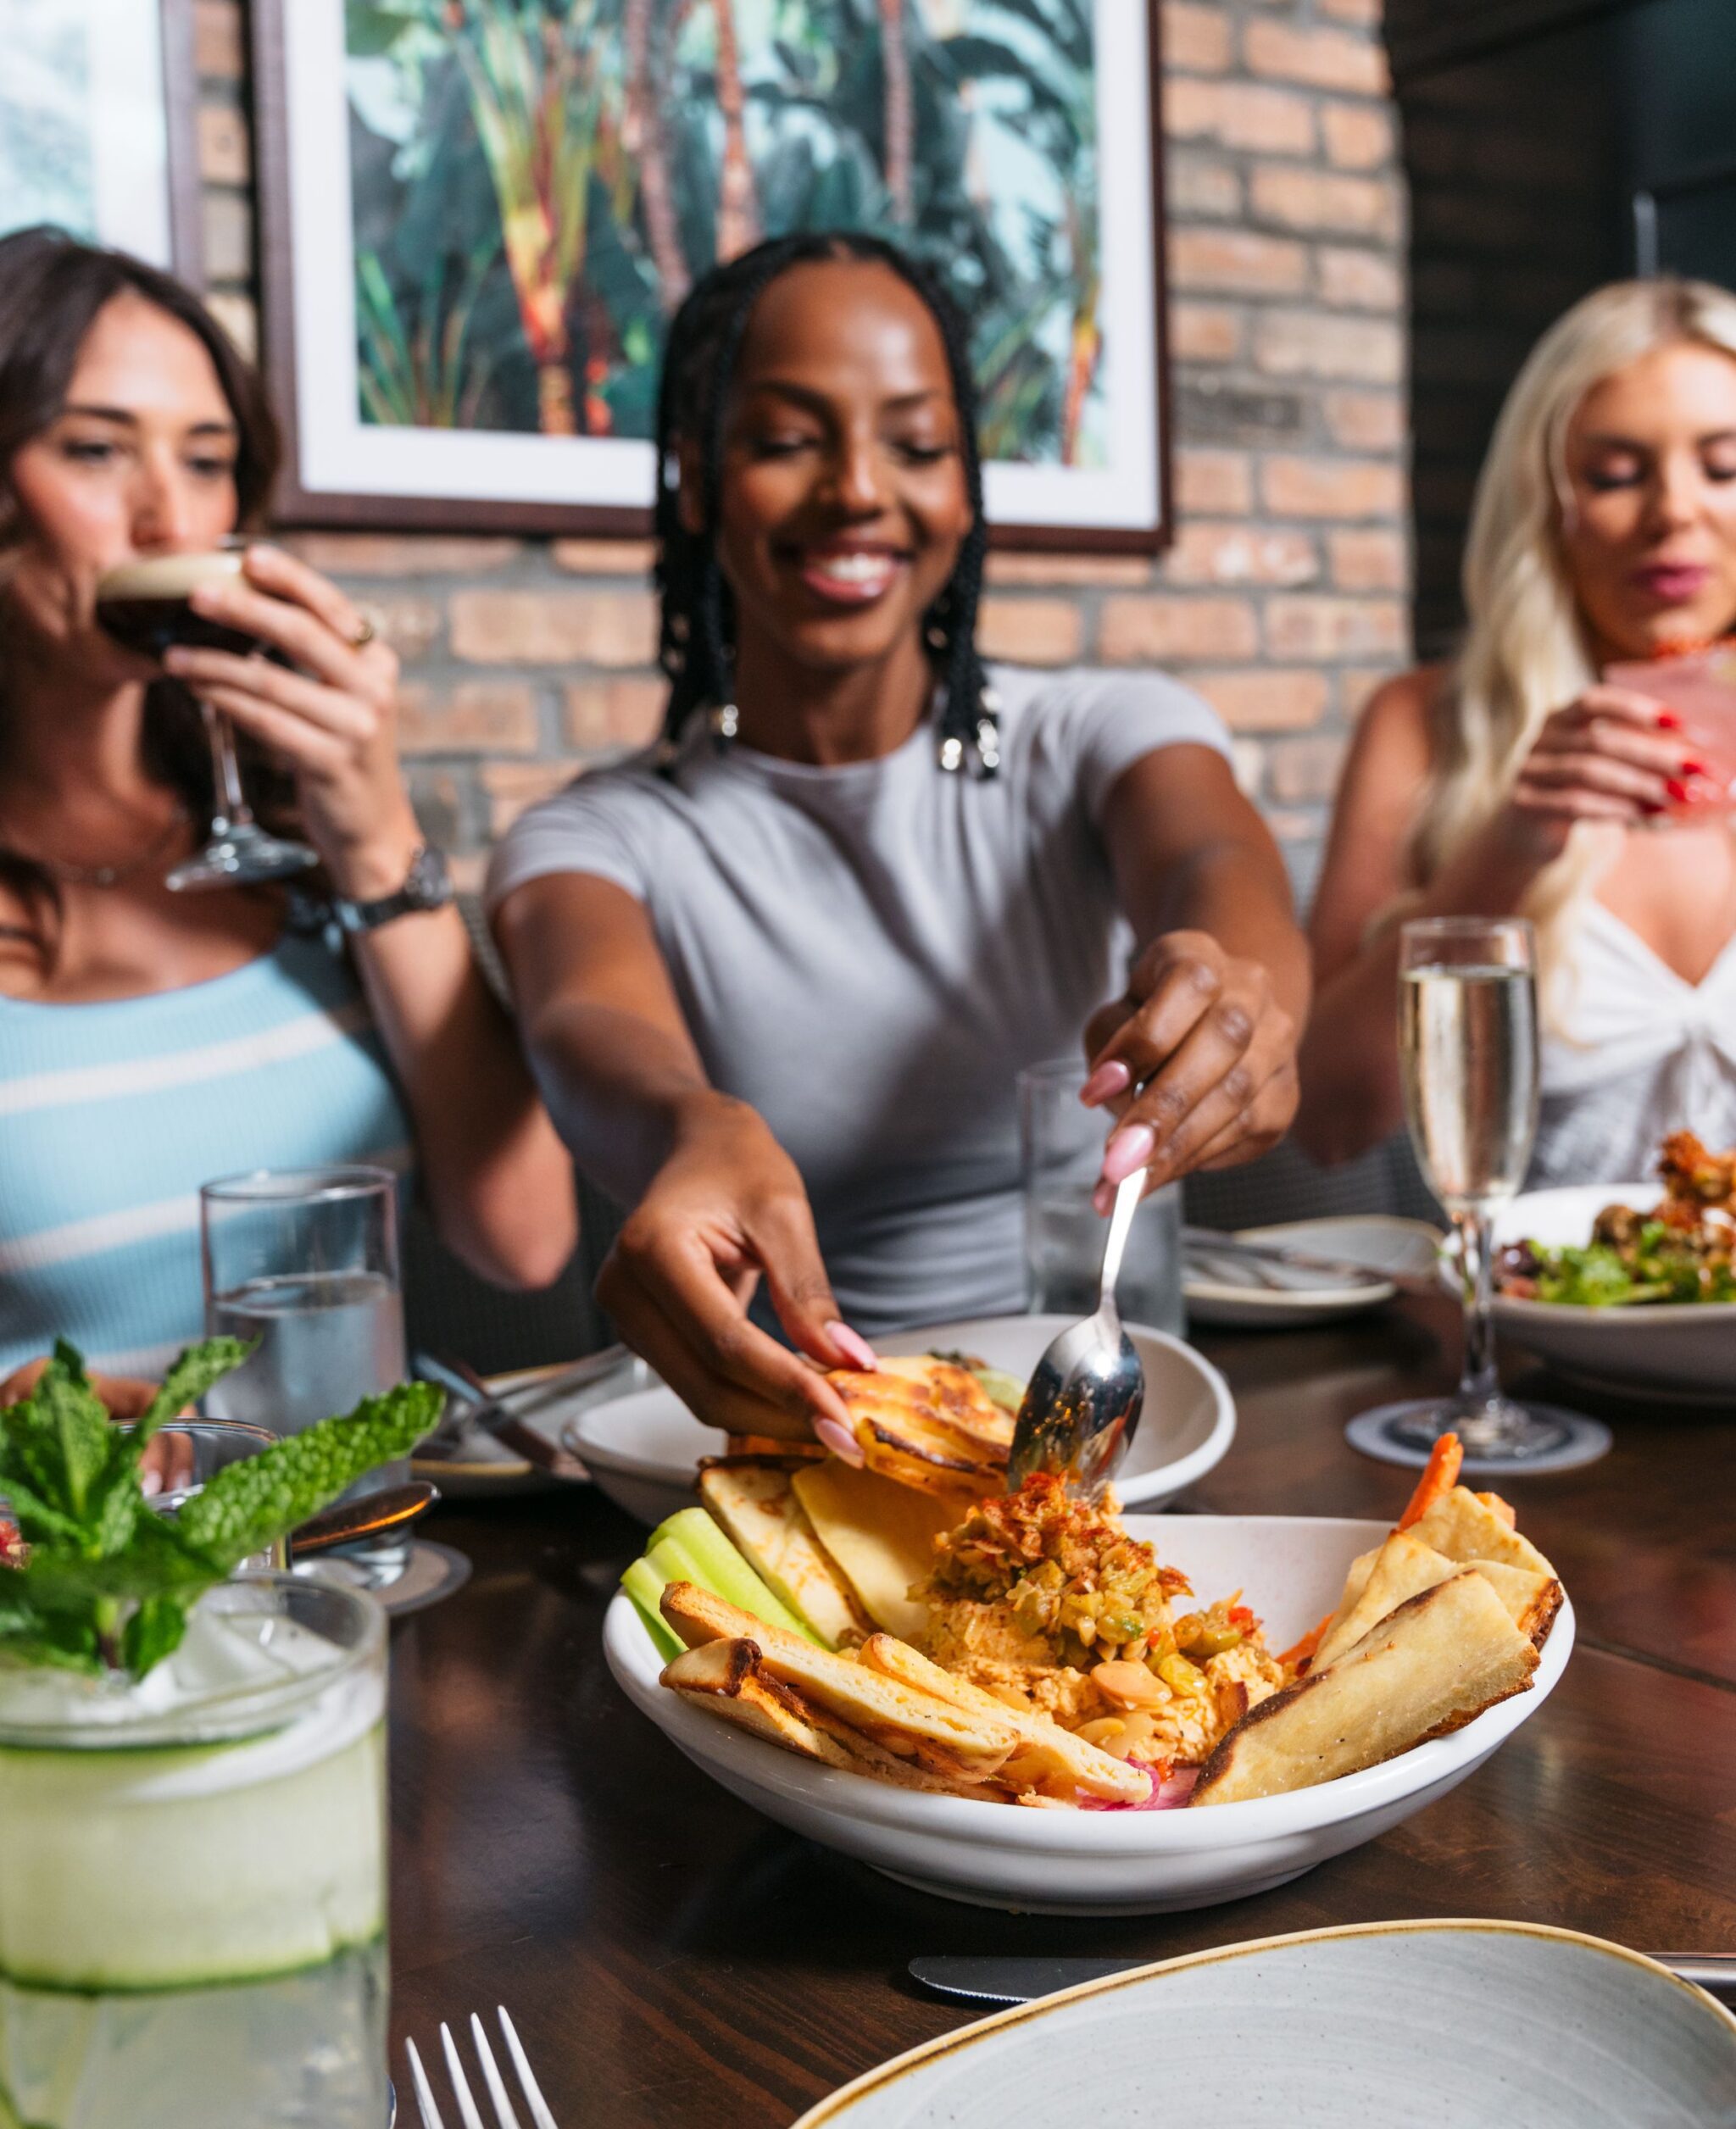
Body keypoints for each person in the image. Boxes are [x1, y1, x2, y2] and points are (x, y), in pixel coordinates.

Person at [489, 232, 1308, 1457]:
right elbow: (583, 1029)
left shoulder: (1094, 730)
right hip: (789, 1438)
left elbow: (1216, 867)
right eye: (785, 440)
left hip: (1116, 1426)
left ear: (965, 488)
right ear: (699, 482)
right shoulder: (599, 833)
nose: (860, 490)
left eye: (916, 445)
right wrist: (687, 1123)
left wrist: (1237, 994)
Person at [0, 228, 576, 1464]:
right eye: (96, 449)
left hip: (368, 1545)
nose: (169, 513)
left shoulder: (292, 846)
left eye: (206, 462)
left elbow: (525, 1239)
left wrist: (375, 829)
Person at [1299, 277, 1736, 1181]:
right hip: (1534, 1314)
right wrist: (1510, 842)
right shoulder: (1424, 726)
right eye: (1613, 474)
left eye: (1722, 467)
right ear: (1545, 505)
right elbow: (1325, 1119)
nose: (1671, 513)